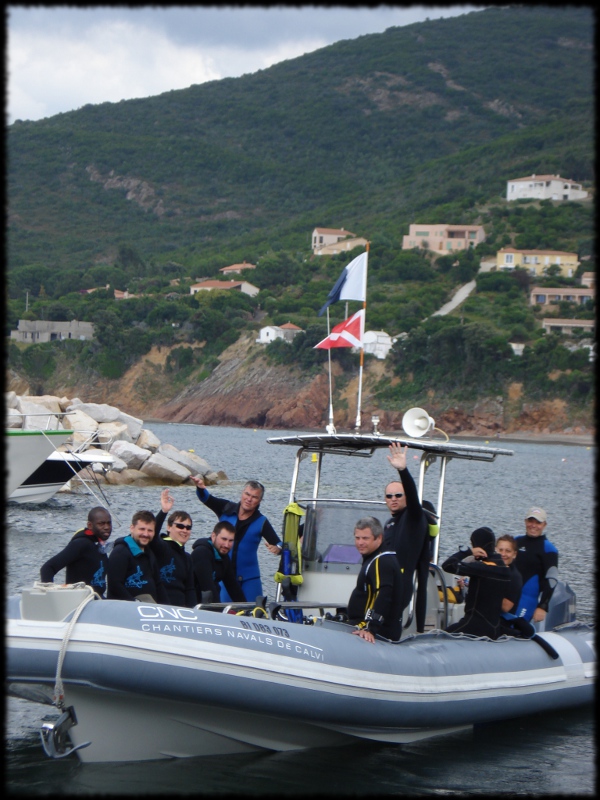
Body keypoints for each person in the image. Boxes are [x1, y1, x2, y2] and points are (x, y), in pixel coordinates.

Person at [190, 476, 282, 601]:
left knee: (255, 614)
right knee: (224, 614)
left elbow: (278, 543)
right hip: (226, 577)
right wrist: (200, 488)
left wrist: (278, 549)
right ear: (241, 494)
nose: (249, 499)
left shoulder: (261, 521)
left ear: (260, 501)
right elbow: (206, 498)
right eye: (247, 494)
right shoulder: (226, 509)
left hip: (250, 579)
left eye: (254, 497)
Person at [382, 443, 429, 617]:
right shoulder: (388, 524)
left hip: (401, 584)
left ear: (406, 497)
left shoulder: (413, 517)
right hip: (384, 582)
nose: (393, 499)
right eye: (389, 496)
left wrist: (403, 470)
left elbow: (413, 495)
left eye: (398, 495)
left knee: (389, 622)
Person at [441, 526, 511, 639]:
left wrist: (468, 552)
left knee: (438, 637)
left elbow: (448, 565)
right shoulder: (505, 569)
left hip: (474, 626)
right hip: (494, 628)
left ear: (478, 546)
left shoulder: (481, 568)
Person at [347, 517, 404, 643]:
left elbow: (384, 595)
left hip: (376, 631)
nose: (360, 543)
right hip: (363, 624)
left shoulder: (381, 561)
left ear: (379, 538)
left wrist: (371, 629)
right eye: (357, 538)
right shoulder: (377, 557)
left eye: (365, 538)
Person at [40, 507, 112, 597]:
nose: (107, 527)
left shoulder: (100, 545)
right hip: (80, 602)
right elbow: (48, 568)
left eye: (109, 523)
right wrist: (49, 597)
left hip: (98, 600)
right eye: (101, 524)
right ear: (90, 525)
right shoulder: (81, 544)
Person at [148, 489, 196, 607]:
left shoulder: (187, 558)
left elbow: (190, 589)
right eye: (180, 526)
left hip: (181, 609)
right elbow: (152, 536)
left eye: (188, 528)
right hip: (160, 606)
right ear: (169, 527)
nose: (184, 530)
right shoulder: (161, 547)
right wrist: (163, 511)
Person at [107, 511, 169, 603]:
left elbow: (158, 584)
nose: (145, 534)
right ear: (132, 528)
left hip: (149, 606)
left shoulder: (149, 553)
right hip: (125, 608)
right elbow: (114, 585)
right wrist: (134, 603)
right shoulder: (120, 552)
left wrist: (167, 606)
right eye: (142, 529)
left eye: (150, 530)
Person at [513, 507, 559, 623]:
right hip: (507, 597)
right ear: (525, 522)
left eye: (538, 522)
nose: (533, 525)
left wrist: (542, 606)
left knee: (515, 627)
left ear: (544, 525)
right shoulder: (515, 541)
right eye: (530, 521)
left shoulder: (549, 549)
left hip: (527, 599)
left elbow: (552, 580)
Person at [191, 521, 246, 604]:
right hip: (192, 603)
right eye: (224, 539)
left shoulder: (223, 557)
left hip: (207, 602)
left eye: (230, 541)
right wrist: (219, 613)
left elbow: (233, 587)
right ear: (213, 536)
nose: (226, 545)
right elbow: (207, 587)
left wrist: (248, 610)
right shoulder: (201, 553)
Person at [495, 534, 523, 614]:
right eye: (500, 550)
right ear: (495, 550)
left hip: (502, 621)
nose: (503, 554)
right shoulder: (489, 568)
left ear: (514, 554)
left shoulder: (515, 577)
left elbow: (506, 607)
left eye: (508, 551)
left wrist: (484, 586)